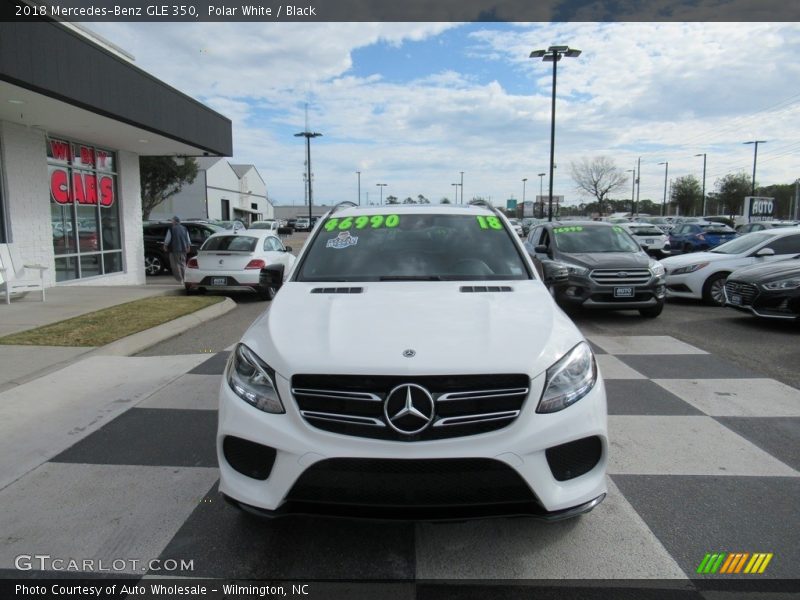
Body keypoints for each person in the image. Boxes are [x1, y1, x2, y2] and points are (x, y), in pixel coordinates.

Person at [163, 216, 191, 283]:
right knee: (183, 263)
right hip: (183, 249)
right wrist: (188, 246)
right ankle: (185, 278)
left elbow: (168, 239)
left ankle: (180, 279)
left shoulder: (171, 228)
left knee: (175, 265)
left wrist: (165, 246)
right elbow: (188, 239)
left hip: (174, 249)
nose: (171, 222)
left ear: (174, 221)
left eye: (172, 220)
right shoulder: (184, 228)